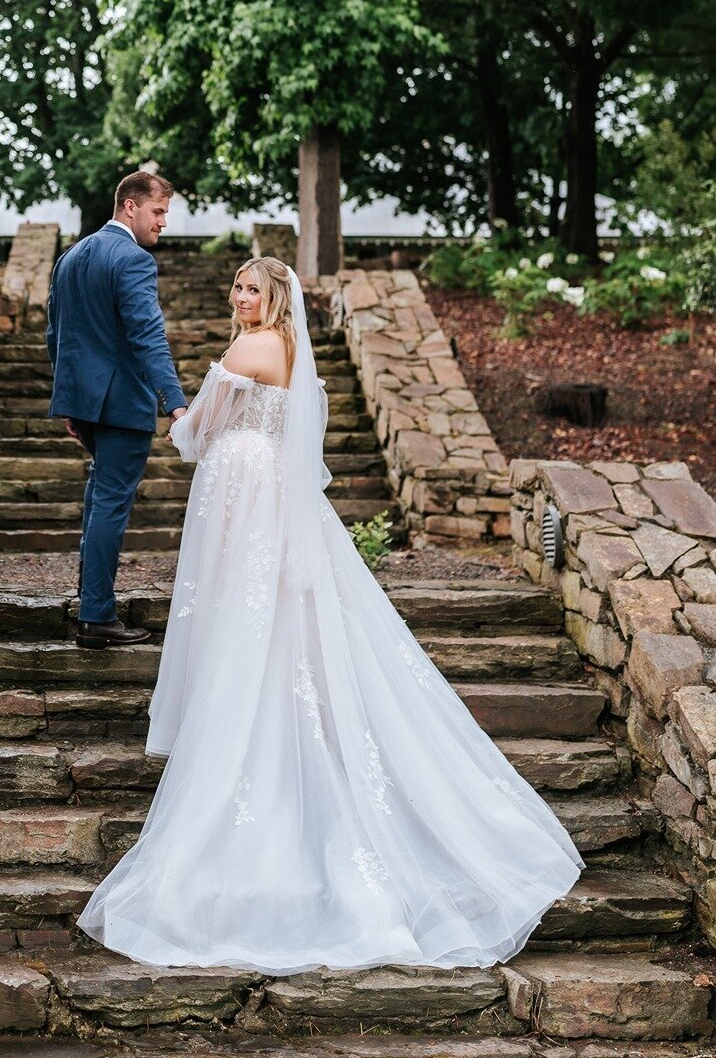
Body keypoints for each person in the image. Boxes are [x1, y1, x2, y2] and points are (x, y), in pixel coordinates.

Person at [77, 255, 584, 972]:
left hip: (242, 498)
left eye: (252, 288)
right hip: (273, 500)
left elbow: (195, 438)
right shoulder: (290, 351)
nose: (239, 296)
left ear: (275, 297)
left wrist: (181, 422)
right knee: (282, 626)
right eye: (238, 287)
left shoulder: (247, 348)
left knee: (246, 626)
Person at [46, 170, 187, 651]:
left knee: (97, 496)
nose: (163, 222)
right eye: (159, 211)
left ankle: (91, 598)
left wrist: (68, 399)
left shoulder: (71, 257)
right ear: (130, 206)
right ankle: (97, 617)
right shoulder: (133, 259)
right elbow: (148, 336)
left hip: (85, 404)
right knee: (110, 501)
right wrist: (176, 402)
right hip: (123, 404)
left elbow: (56, 334)